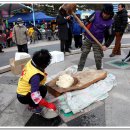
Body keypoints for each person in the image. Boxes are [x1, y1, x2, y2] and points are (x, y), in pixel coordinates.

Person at [16, 49, 56, 114]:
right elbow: (35, 96)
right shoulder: (35, 77)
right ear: (43, 64)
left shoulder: (32, 62)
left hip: (22, 90)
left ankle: (34, 102)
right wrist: (47, 104)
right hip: (23, 96)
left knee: (43, 88)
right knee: (39, 93)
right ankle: (33, 107)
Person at [78, 4, 114, 71]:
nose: (105, 15)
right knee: (84, 53)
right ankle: (79, 70)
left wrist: (106, 45)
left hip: (98, 41)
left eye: (107, 14)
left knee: (98, 57)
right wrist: (83, 24)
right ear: (103, 11)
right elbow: (88, 21)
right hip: (88, 38)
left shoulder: (110, 22)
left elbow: (111, 35)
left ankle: (99, 70)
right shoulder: (96, 14)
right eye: (104, 13)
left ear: (110, 14)